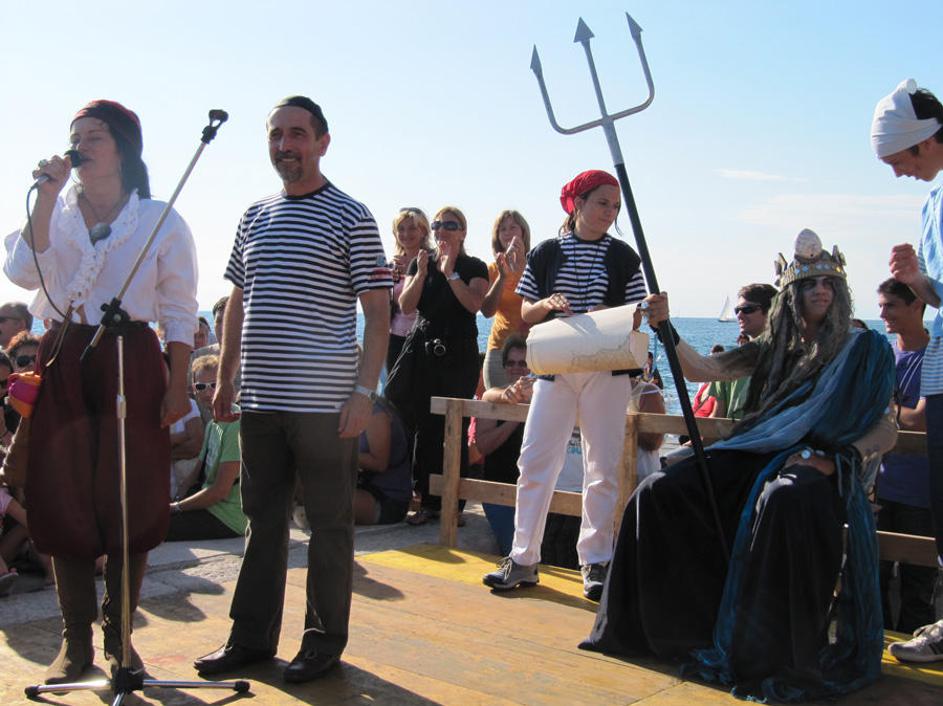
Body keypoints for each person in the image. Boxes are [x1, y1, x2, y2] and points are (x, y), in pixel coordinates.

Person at [581, 229, 897, 701]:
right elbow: (703, 370)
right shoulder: (774, 347)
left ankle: (767, 654)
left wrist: (840, 460)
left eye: (828, 283)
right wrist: (666, 328)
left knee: (784, 499)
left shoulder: (864, 349)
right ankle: (655, 630)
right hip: (760, 451)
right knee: (659, 491)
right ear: (791, 296)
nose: (821, 291)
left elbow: (886, 427)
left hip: (821, 465)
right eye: (810, 285)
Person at [193, 96, 390, 683]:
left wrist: (363, 393)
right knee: (262, 523)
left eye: (298, 134)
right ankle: (251, 640)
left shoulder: (352, 215)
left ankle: (323, 644)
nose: (285, 145)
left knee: (328, 526)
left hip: (325, 406)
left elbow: (378, 314)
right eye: (276, 135)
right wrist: (227, 378)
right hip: (259, 401)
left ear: (322, 142)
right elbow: (237, 303)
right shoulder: (254, 215)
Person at [3, 99, 198, 683]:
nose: (81, 145)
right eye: (76, 136)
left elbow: (179, 309)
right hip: (65, 354)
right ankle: (75, 641)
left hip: (131, 357)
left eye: (94, 136)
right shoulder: (56, 212)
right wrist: (44, 196)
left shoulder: (159, 218)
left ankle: (120, 636)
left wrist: (178, 383)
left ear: (122, 148)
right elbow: (22, 272)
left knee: (130, 498)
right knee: (61, 495)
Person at [482, 169, 647, 600]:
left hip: (607, 368)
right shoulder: (547, 252)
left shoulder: (624, 256)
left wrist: (617, 311)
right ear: (578, 204)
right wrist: (547, 304)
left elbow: (636, 313)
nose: (609, 212)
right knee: (535, 460)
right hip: (555, 367)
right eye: (602, 203)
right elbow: (525, 313)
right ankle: (523, 557)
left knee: (602, 466)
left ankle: (596, 559)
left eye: (615, 206)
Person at [877, 78, 943, 662]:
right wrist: (919, 280)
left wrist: (923, 282)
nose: (899, 172)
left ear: (924, 141)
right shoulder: (932, 202)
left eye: (898, 159)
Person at [388, 206, 488, 526]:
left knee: (454, 426)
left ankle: (453, 505)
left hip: (459, 352)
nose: (443, 229)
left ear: (463, 232)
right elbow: (406, 305)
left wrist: (450, 274)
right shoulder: (421, 262)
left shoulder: (474, 266)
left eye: (451, 225)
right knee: (426, 429)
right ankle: (428, 502)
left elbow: (474, 304)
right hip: (424, 350)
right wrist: (420, 273)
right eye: (438, 224)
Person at [873, 278, 937, 634]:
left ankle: (916, 649)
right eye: (881, 306)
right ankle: (873, 647)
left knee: (918, 584)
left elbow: (922, 420)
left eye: (890, 305)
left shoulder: (935, 356)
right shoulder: (884, 357)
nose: (883, 314)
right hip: (880, 486)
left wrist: (882, 409)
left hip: (921, 492)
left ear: (917, 306)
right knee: (873, 576)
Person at [166, 355, 245, 540]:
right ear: (194, 389)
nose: (208, 392)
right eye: (201, 386)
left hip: (229, 517)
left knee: (153, 529)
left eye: (214, 385)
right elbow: (195, 474)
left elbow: (220, 490)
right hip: (211, 507)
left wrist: (176, 508)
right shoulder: (211, 425)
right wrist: (177, 500)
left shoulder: (235, 423)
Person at [707, 283, 777, 420]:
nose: (739, 315)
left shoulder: (789, 361)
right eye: (737, 310)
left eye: (747, 309)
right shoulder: (728, 363)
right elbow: (718, 417)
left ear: (772, 311)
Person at [480, 210, 531, 389]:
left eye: (513, 227)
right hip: (499, 348)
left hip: (532, 349)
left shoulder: (536, 265)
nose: (508, 233)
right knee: (496, 401)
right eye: (502, 229)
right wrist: (502, 277)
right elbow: (487, 311)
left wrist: (523, 265)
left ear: (523, 232)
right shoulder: (493, 270)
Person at [386, 208, 432, 373]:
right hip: (395, 336)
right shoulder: (392, 265)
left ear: (423, 231)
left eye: (412, 228)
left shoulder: (435, 262)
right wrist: (386, 282)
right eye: (401, 229)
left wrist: (411, 272)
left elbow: (434, 296)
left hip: (424, 337)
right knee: (394, 387)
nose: (406, 233)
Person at [353, 397, 412, 525]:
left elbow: (380, 464)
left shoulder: (375, 412)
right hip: (359, 487)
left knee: (322, 499)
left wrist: (339, 454)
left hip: (387, 499)